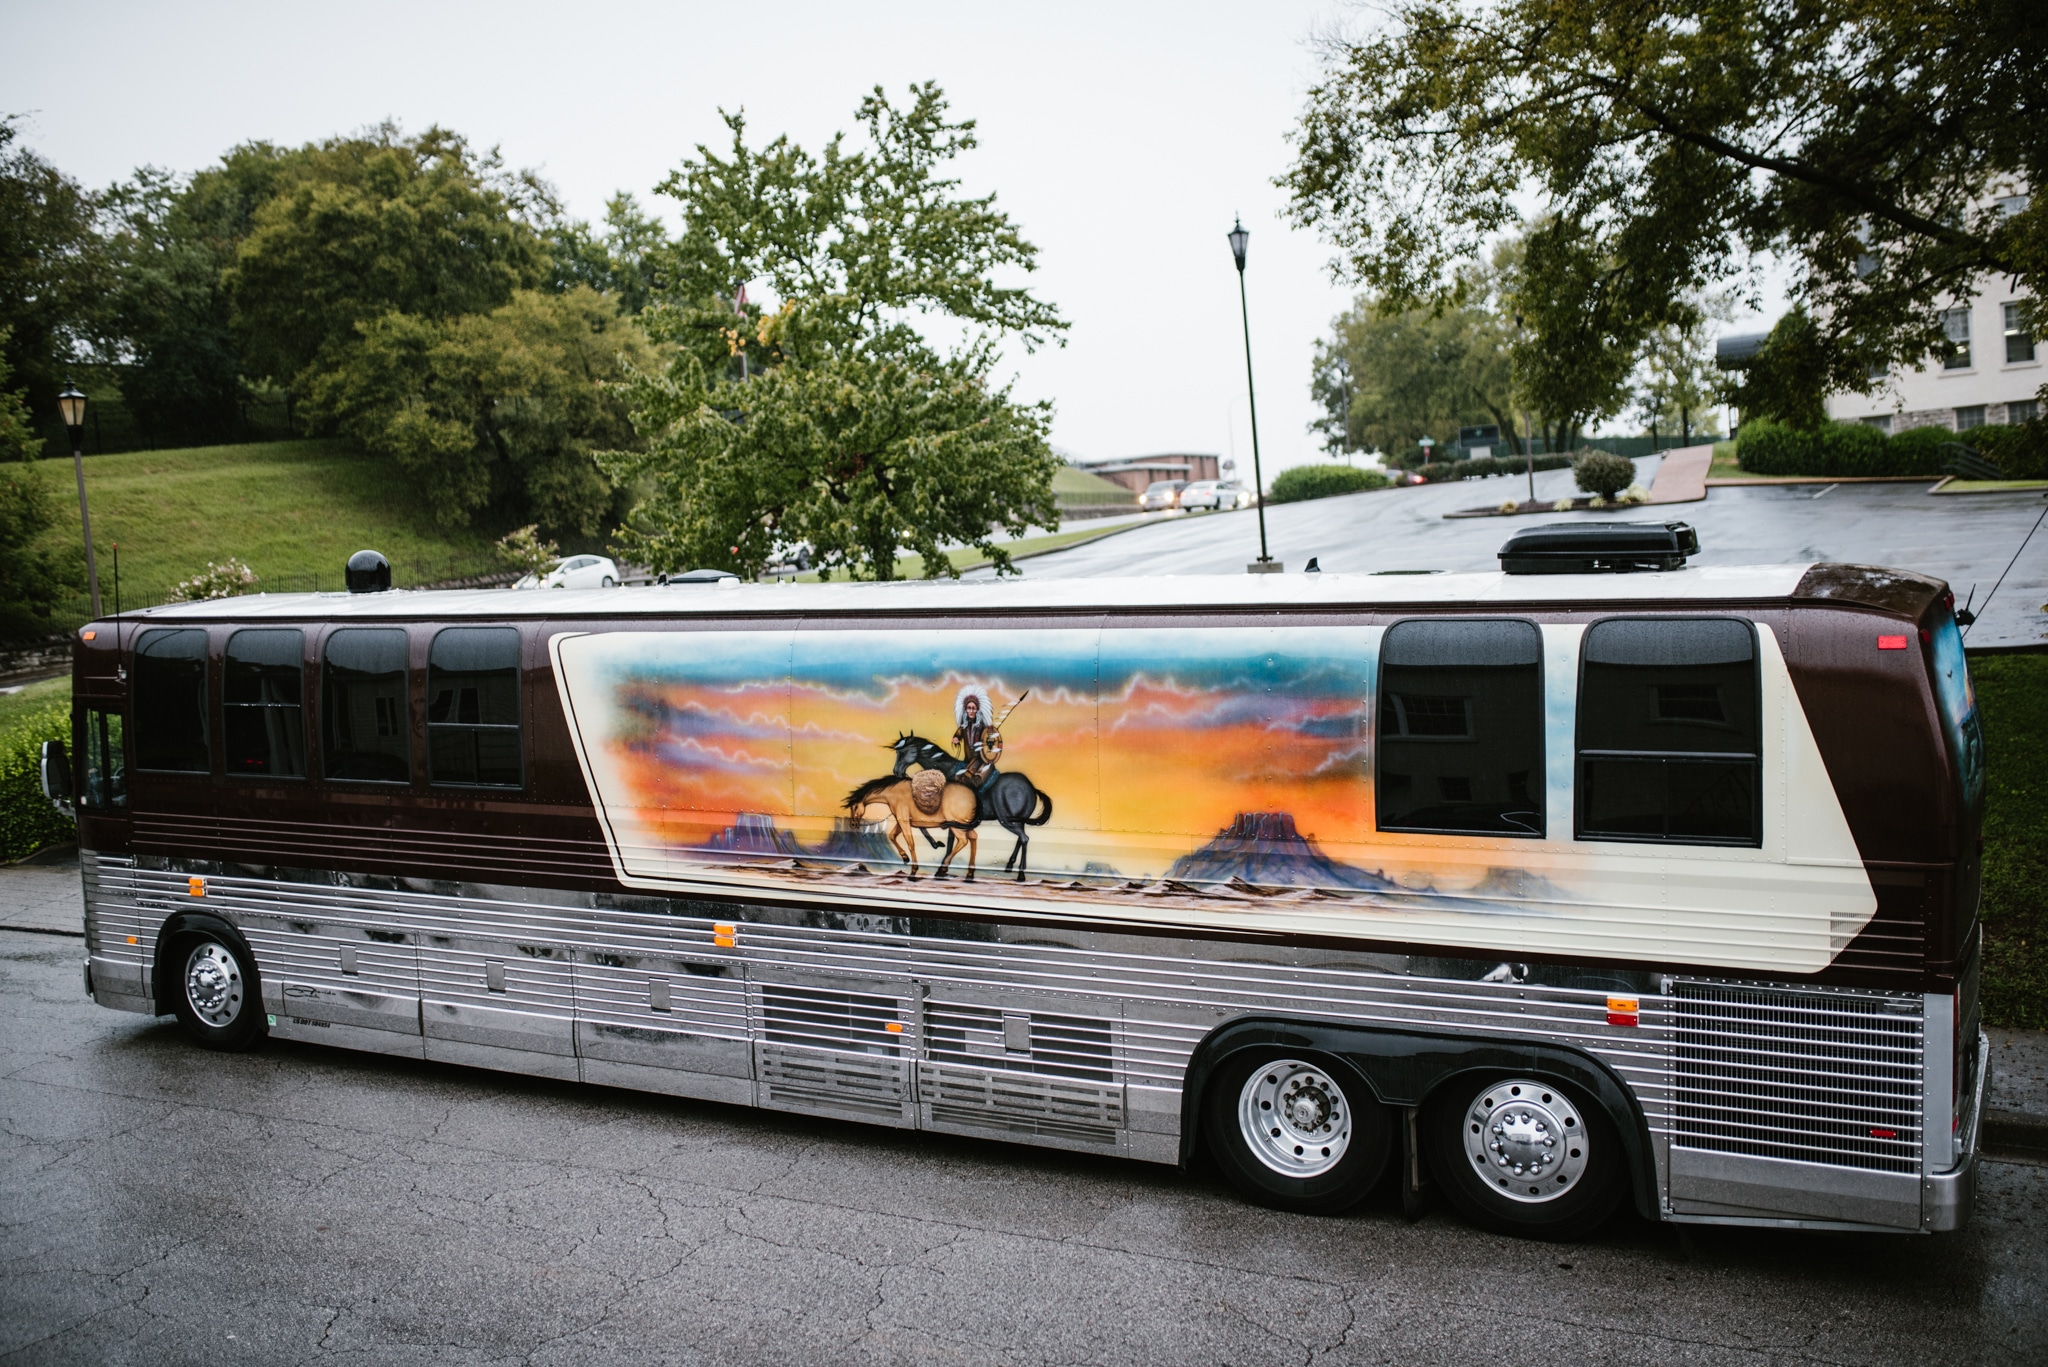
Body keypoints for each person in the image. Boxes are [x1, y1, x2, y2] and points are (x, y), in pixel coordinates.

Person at [952, 686, 1004, 787]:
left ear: (977, 710)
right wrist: (956, 738)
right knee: (959, 777)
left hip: (980, 760)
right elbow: (958, 734)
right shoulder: (963, 726)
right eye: (969, 708)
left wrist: (989, 742)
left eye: (973, 708)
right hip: (968, 759)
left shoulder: (983, 728)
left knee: (976, 780)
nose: (971, 711)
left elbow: (989, 742)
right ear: (965, 710)